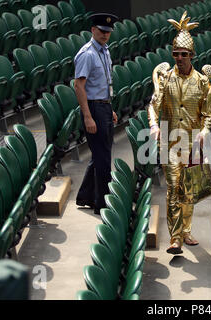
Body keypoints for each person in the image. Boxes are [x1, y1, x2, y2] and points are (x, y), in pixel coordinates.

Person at [148, 11, 211, 254]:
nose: (179, 58)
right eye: (176, 54)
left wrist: (205, 131)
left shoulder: (201, 82)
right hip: (169, 141)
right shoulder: (165, 79)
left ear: (192, 55)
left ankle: (186, 230)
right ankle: (175, 237)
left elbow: (207, 114)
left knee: (189, 190)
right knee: (173, 187)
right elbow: (153, 106)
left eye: (183, 54)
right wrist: (154, 125)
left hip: (192, 143)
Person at [74, 13, 119, 215]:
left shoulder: (104, 51)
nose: (105, 35)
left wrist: (110, 108)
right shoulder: (87, 54)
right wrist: (87, 116)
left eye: (108, 32)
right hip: (93, 108)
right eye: (102, 31)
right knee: (103, 158)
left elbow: (103, 84)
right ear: (92, 30)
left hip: (104, 106)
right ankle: (103, 204)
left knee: (100, 154)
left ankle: (85, 195)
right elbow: (79, 86)